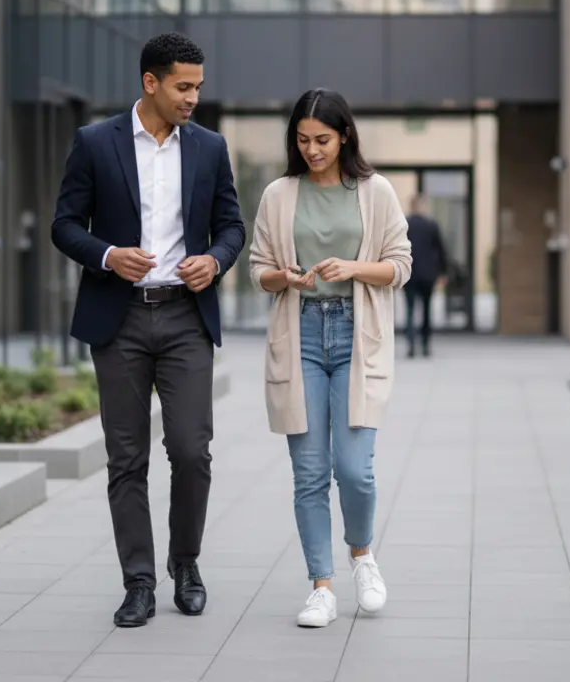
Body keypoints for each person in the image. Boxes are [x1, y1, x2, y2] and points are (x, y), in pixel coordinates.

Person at [51, 32, 245, 628]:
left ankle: (185, 564)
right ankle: (138, 583)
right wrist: (107, 255)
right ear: (151, 83)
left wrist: (214, 260)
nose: (193, 98)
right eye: (184, 87)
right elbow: (64, 225)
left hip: (187, 317)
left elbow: (231, 225)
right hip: (120, 319)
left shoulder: (210, 148)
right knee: (125, 457)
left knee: (191, 451)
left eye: (198, 88)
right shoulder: (94, 142)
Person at [248, 89, 413, 628]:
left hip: (353, 334)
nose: (312, 149)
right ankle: (321, 585)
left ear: (345, 135)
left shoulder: (375, 191)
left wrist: (353, 267)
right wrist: (286, 277)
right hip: (299, 336)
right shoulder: (278, 193)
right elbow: (258, 270)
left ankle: (361, 555)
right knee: (310, 472)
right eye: (302, 140)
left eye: (322, 139)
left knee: (354, 470)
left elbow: (399, 266)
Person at [403, 194, 449, 358]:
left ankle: (411, 344)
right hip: (428, 274)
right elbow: (441, 250)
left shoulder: (404, 224)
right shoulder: (432, 225)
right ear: (423, 207)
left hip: (409, 274)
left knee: (409, 310)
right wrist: (442, 272)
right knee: (427, 309)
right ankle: (426, 344)